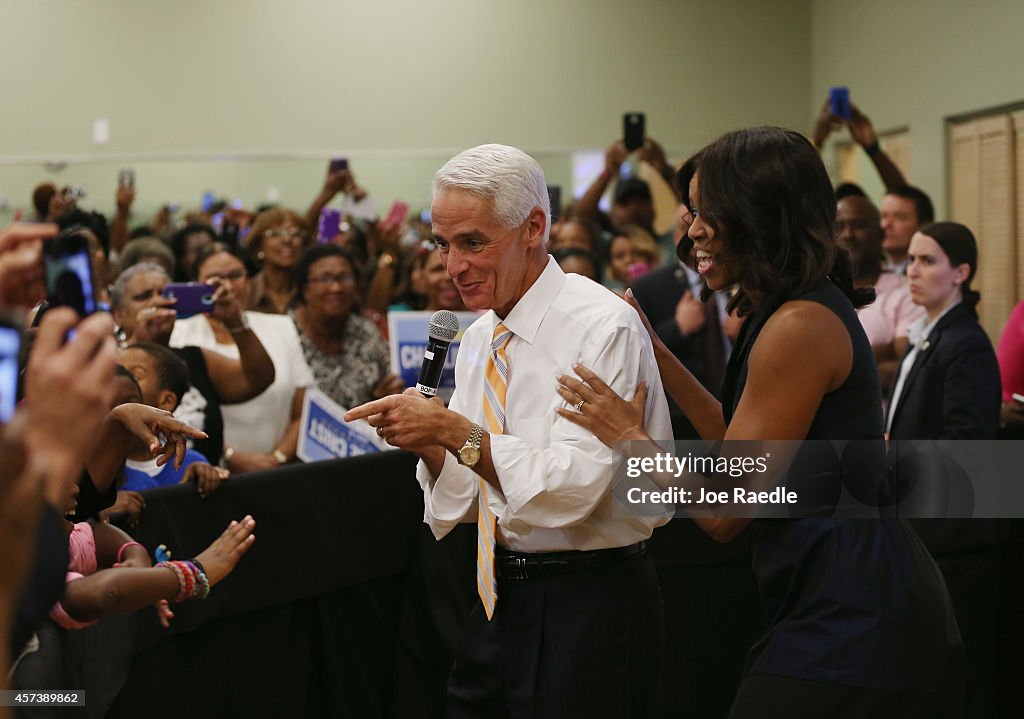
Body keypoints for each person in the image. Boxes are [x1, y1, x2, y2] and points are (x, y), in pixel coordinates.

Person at [554, 128, 961, 717]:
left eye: (708, 214)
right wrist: (657, 353)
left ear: (762, 215)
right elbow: (740, 439)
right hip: (835, 601)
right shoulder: (784, 311)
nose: (692, 230)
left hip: (861, 612)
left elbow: (725, 512)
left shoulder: (798, 325)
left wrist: (627, 437)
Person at [344, 143, 671, 718]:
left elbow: (578, 485)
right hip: (498, 597)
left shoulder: (600, 326)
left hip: (590, 598)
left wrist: (453, 429)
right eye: (442, 245)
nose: (453, 266)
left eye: (473, 242)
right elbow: (473, 498)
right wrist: (434, 448)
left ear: (534, 228)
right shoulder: (478, 338)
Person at [885, 222, 1002, 718]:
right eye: (911, 260)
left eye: (928, 261)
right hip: (920, 527)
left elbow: (969, 452)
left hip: (952, 545)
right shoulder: (927, 336)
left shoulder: (965, 343)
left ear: (961, 272)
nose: (913, 271)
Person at [110, 261, 275, 465]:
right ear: (118, 314)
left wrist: (234, 321)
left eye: (165, 294)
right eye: (143, 297)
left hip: (207, 487)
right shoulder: (107, 369)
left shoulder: (194, 358)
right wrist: (138, 345)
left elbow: (258, 379)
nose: (157, 301)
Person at [171, 243, 313, 473]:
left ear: (248, 280)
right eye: (214, 278)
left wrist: (276, 459)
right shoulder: (178, 334)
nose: (225, 286)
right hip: (209, 470)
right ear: (196, 283)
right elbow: (179, 412)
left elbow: (303, 407)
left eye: (235, 276)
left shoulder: (281, 326)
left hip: (281, 470)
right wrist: (229, 456)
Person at [291, 244, 402, 409]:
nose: (336, 288)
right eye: (325, 279)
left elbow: (386, 385)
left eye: (345, 278)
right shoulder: (286, 333)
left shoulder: (366, 332)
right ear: (305, 288)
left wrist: (382, 396)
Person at [835, 193, 923, 396]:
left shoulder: (906, 292)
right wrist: (878, 353)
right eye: (839, 227)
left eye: (859, 225)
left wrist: (832, 369)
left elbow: (908, 371)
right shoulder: (818, 292)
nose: (848, 234)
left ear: (880, 234)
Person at [246, 209, 312, 313]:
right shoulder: (245, 292)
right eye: (275, 234)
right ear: (259, 246)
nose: (287, 240)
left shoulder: (313, 292)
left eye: (295, 234)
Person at [880, 185, 934, 274]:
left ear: (923, 226)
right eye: (884, 216)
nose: (886, 225)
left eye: (899, 217)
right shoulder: (867, 270)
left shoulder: (929, 273)